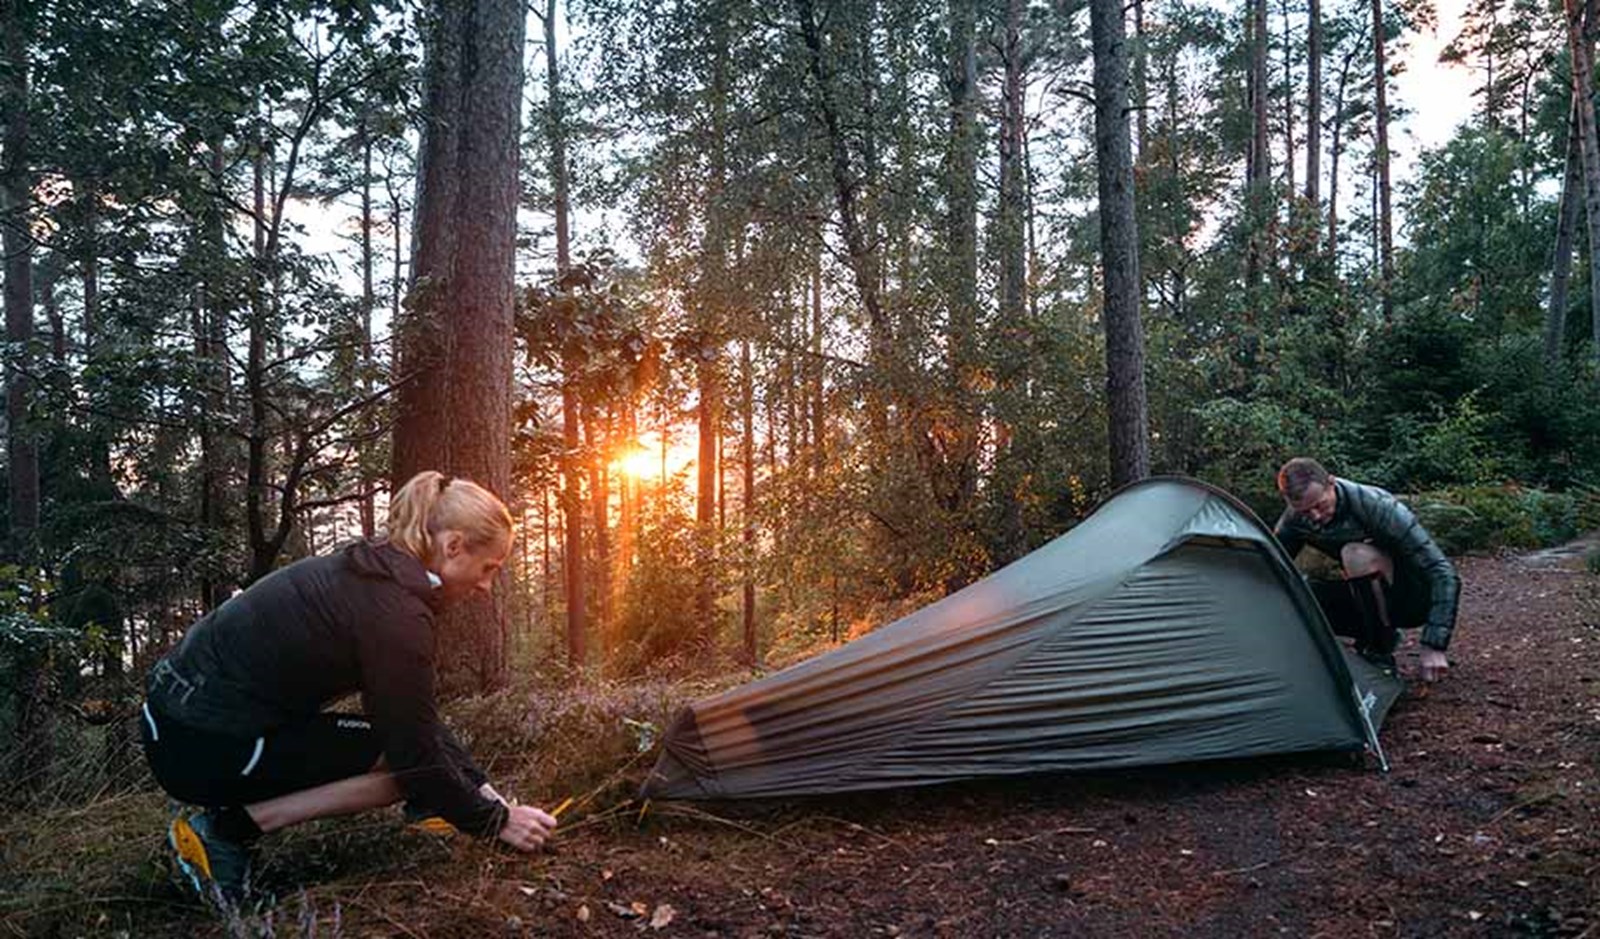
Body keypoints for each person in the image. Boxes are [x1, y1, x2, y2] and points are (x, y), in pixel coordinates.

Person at [140, 471, 557, 906]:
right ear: (452, 546)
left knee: (407, 757)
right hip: (199, 749)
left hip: (171, 725)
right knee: (403, 771)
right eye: (488, 567)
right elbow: (413, 750)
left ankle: (437, 797)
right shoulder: (396, 616)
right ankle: (225, 833)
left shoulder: (373, 566)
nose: (487, 586)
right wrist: (494, 822)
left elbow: (412, 718)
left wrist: (483, 792)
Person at [1273, 457, 1460, 682]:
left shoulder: (1376, 505)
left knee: (1355, 555)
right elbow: (1275, 565)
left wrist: (1434, 644)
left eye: (1320, 505)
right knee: (1297, 593)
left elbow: (1442, 571)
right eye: (1305, 512)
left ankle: (1379, 652)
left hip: (1413, 598)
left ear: (1331, 483)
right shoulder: (1294, 519)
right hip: (1366, 596)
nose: (1315, 517)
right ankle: (1371, 636)